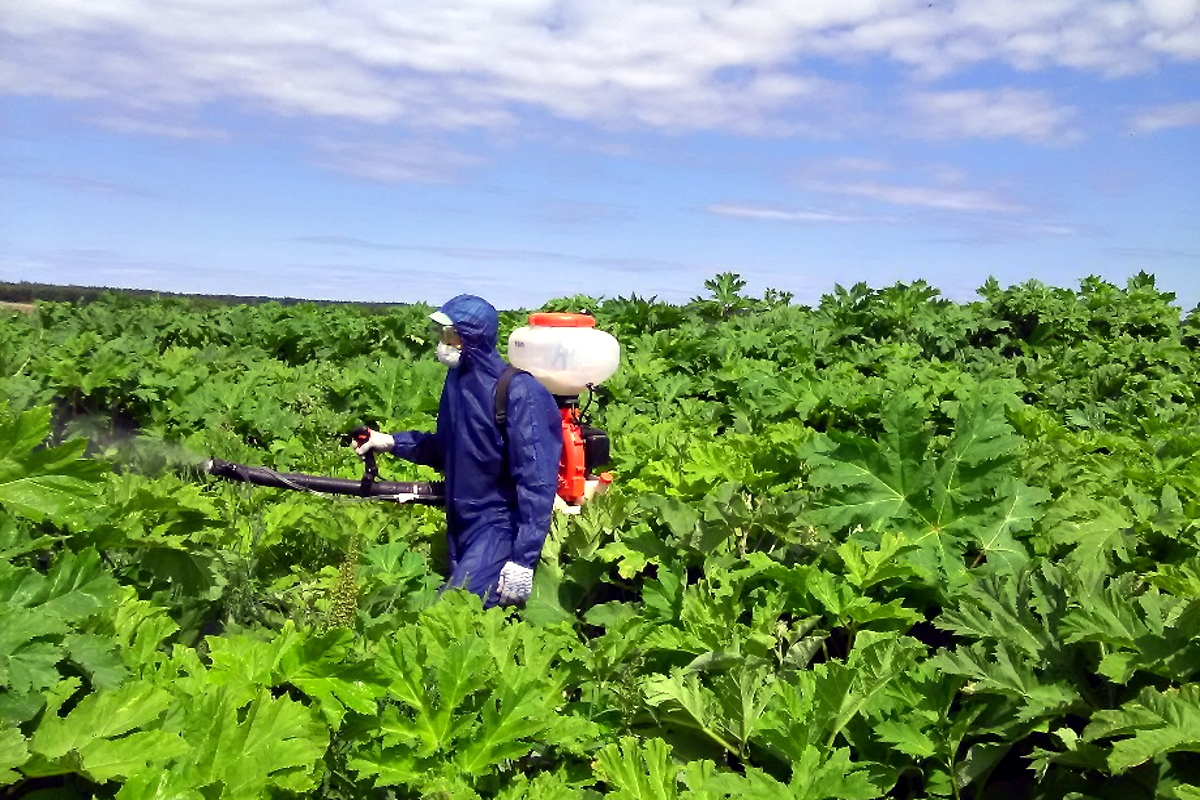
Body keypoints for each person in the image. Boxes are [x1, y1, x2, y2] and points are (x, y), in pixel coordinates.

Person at [354, 294, 563, 607]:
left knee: (450, 612)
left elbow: (536, 484)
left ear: (472, 337)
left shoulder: (519, 392)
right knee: (476, 619)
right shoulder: (457, 381)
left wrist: (522, 560)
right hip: (462, 521)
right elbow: (446, 449)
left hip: (500, 525)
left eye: (449, 334)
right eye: (440, 334)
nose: (442, 342)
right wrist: (391, 442)